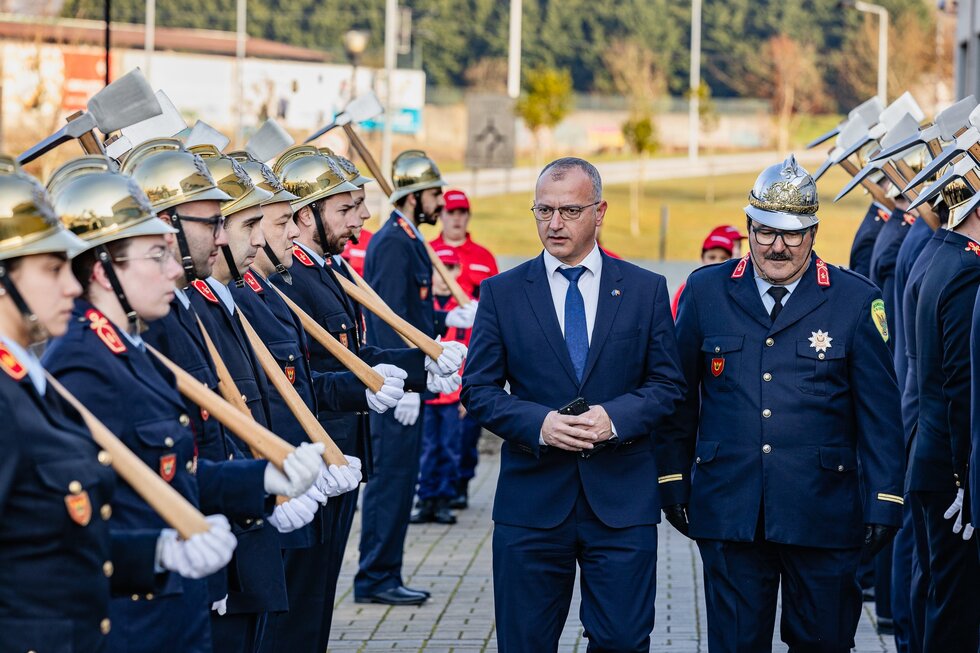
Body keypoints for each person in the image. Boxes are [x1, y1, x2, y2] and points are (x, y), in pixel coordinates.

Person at [658, 155, 905, 652]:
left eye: (792, 234)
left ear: (814, 232)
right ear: (749, 227)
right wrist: (672, 480)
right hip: (731, 509)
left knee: (823, 643)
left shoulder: (855, 300)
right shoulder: (706, 292)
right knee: (734, 645)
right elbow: (678, 398)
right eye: (766, 231)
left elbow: (880, 415)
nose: (777, 246)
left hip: (824, 513)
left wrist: (885, 500)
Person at [462, 157, 686, 652]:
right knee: (524, 643)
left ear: (600, 211)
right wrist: (538, 423)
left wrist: (616, 419)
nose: (554, 224)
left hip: (622, 504)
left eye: (569, 210)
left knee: (624, 641)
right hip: (532, 505)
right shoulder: (502, 292)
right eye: (543, 211)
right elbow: (477, 390)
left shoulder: (645, 290)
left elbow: (669, 385)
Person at [42, 155, 246, 653]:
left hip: (175, 612)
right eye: (157, 256)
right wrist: (159, 551)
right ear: (102, 270)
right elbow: (76, 517)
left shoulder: (136, 347)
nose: (175, 270)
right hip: (135, 621)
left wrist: (261, 483)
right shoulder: (81, 364)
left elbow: (173, 473)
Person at [122, 138, 308, 653]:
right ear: (166, 224)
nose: (225, 237)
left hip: (231, 538)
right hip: (194, 550)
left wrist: (268, 479)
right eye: (216, 223)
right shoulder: (161, 317)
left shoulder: (181, 308)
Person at [225, 150, 405, 653]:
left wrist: (397, 376)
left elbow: (309, 378)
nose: (361, 219)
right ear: (308, 216)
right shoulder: (267, 289)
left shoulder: (273, 287)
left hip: (322, 461)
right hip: (284, 478)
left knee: (309, 610)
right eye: (346, 209)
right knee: (285, 622)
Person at [181, 145, 343, 653]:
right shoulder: (193, 314)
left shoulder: (226, 304)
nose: (291, 234)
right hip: (227, 533)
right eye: (258, 224)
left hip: (255, 517)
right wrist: (266, 488)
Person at [0, 157, 128, 653]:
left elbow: (51, 545)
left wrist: (158, 554)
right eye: (53, 269)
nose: (74, 286)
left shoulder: (30, 384)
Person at [358, 150, 473, 605]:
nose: (440, 203)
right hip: (395, 386)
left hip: (410, 379)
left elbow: (415, 315)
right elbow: (386, 318)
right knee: (391, 481)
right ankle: (375, 577)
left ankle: (388, 571)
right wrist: (403, 385)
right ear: (412, 196)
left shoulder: (410, 239)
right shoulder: (393, 243)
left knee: (404, 481)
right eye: (433, 194)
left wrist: (448, 314)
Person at [907, 169, 980, 652]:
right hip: (950, 470)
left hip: (928, 452)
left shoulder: (937, 253)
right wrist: (965, 478)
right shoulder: (969, 269)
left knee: (937, 596)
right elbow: (962, 382)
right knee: (955, 613)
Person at [431, 188, 498, 508]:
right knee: (437, 439)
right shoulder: (427, 253)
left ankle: (460, 483)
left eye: (461, 212)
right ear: (440, 215)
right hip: (438, 362)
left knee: (465, 435)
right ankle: (437, 490)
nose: (456, 218)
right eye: (450, 212)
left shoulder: (483, 258)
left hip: (471, 358)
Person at [411, 249, 467, 525]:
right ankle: (426, 499)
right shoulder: (423, 308)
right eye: (440, 267)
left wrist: (466, 397)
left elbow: (473, 356)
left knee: (449, 447)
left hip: (452, 397)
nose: (445, 275)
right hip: (427, 395)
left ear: (458, 271)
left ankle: (445, 498)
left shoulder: (464, 312)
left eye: (451, 267)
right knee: (427, 448)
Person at [671, 229, 737, 318]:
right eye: (712, 257)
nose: (717, 262)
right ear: (702, 258)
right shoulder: (688, 288)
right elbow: (675, 320)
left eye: (723, 258)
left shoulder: (736, 289)